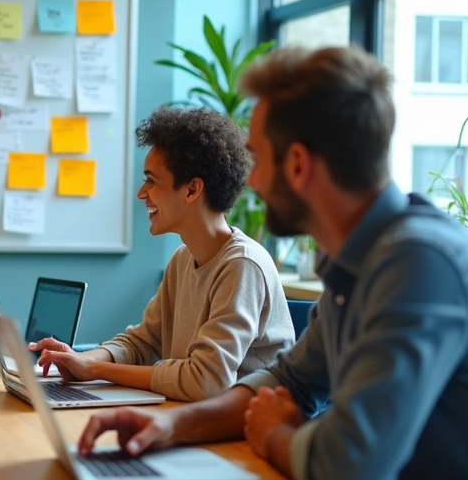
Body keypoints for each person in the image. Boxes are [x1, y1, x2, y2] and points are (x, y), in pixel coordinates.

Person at [77, 46, 468, 480]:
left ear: (301, 164)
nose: (252, 181)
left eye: (259, 159)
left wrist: (276, 436)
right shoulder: (358, 262)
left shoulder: (418, 263)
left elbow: (347, 468)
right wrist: (167, 426)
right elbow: (288, 382)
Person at [27, 108, 294, 401]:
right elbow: (142, 342)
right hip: (195, 418)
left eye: (151, 180)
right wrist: (81, 359)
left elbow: (205, 381)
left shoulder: (242, 266)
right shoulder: (183, 259)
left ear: (192, 189)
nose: (142, 193)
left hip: (242, 437)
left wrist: (96, 369)